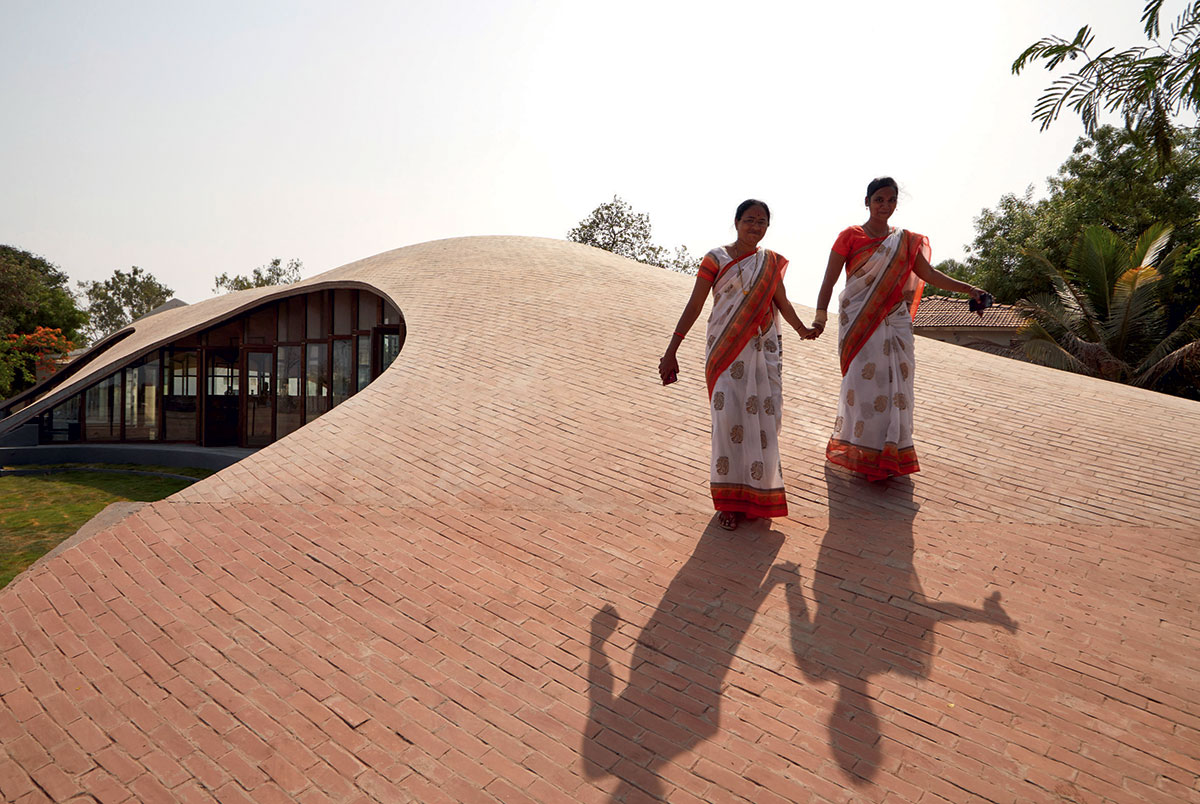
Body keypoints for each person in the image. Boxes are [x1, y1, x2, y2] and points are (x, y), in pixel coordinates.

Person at [809, 177, 987, 481]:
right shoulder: (849, 236)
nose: (885, 206)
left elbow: (928, 273)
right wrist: (820, 317)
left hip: (896, 320)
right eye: (879, 199)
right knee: (865, 386)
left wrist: (969, 288)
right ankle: (863, 452)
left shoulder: (905, 240)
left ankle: (891, 452)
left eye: (891, 200)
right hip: (860, 320)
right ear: (867, 202)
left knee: (896, 387)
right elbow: (829, 279)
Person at [659, 200, 812, 530]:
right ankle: (728, 502)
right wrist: (672, 349)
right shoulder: (717, 258)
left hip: (761, 352)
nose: (755, 226)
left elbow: (781, 302)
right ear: (736, 222)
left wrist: (802, 330)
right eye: (749, 220)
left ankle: (756, 496)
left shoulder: (769, 262)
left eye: (761, 222)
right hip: (725, 351)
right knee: (728, 423)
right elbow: (696, 304)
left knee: (762, 424)